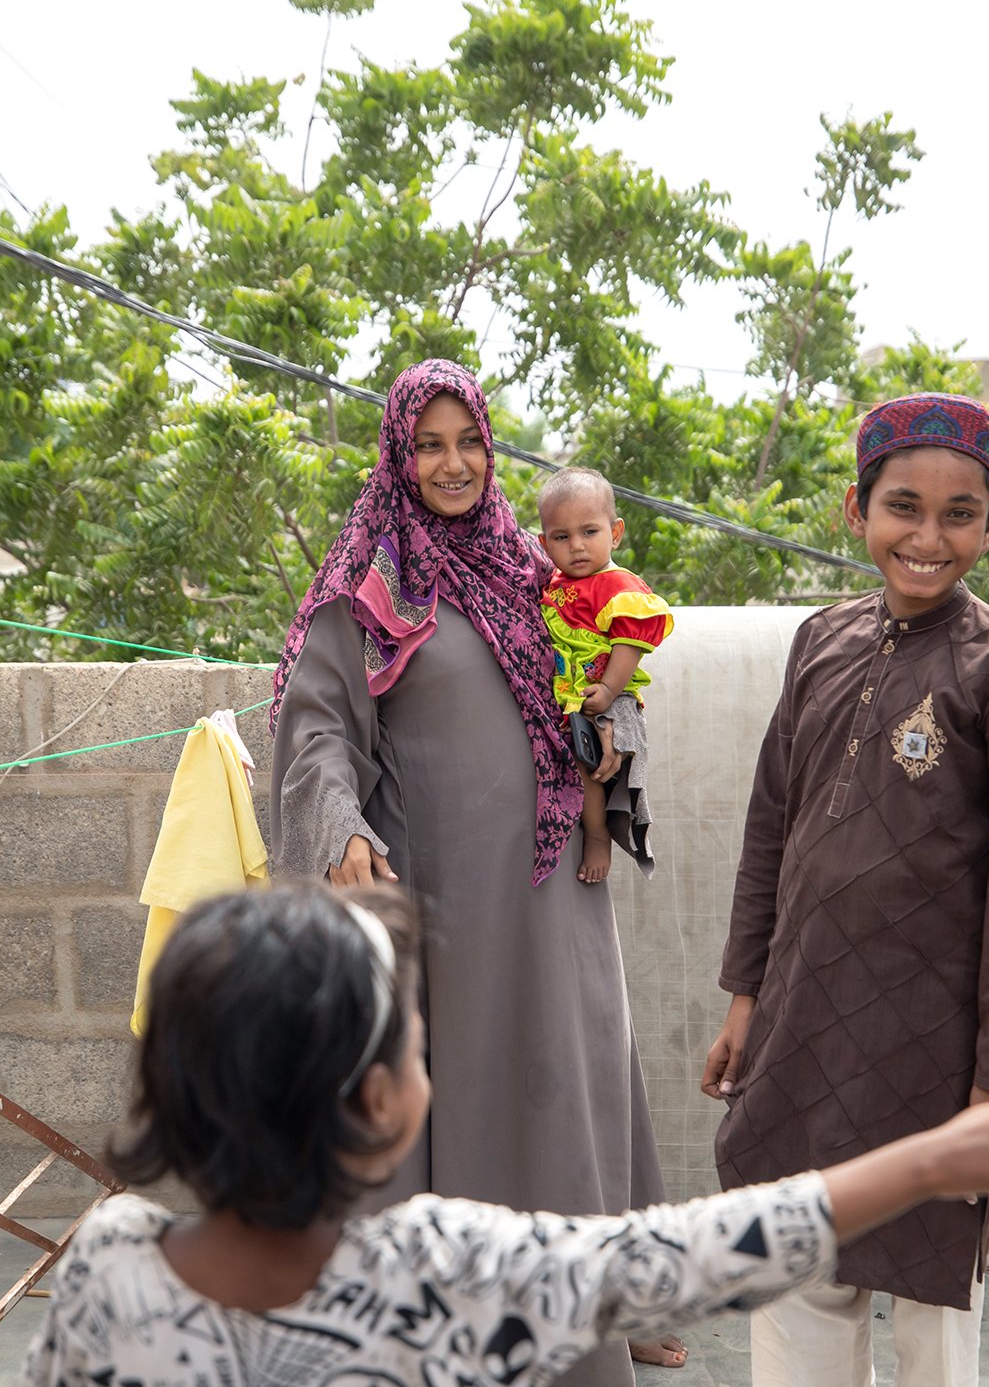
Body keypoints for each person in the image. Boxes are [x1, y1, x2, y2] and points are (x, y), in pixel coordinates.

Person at [21, 884, 989, 1387]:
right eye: (417, 1041)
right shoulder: (441, 1269)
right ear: (380, 1100)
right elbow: (685, 1256)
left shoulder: (105, 1268)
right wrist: (939, 1156)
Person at [268, 359, 676, 1379]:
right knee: (469, 1102)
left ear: (493, 449)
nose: (453, 463)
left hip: (555, 893)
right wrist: (338, 829)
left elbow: (605, 678)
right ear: (399, 456)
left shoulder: (536, 570)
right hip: (446, 908)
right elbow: (315, 726)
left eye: (470, 442)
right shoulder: (368, 583)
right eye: (430, 444)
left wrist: (615, 729)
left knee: (567, 1087)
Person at [702, 392, 989, 1387]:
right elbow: (770, 828)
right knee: (800, 1267)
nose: (928, 535)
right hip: (803, 1030)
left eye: (961, 513)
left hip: (936, 1056)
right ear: (855, 509)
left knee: (932, 1313)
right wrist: (746, 1000)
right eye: (903, 505)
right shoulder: (820, 640)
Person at [536, 466, 673, 884]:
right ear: (544, 544)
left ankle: (597, 836)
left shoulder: (620, 586)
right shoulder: (553, 583)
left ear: (615, 533)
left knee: (589, 766)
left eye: (589, 532)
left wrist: (610, 689)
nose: (576, 546)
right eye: (562, 537)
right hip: (568, 692)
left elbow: (629, 643)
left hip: (605, 695)